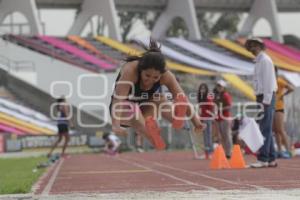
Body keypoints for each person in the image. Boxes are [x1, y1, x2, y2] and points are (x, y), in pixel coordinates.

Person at [109, 38, 205, 149]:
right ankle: (153, 134)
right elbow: (118, 99)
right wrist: (115, 124)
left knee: (160, 98)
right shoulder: (130, 70)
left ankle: (172, 119)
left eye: (155, 77)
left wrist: (197, 123)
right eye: (147, 75)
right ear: (141, 70)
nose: (150, 80)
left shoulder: (167, 75)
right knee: (134, 110)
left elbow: (182, 98)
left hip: (146, 106)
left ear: (161, 74)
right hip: (124, 110)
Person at [245, 38, 278, 168]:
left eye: (253, 46)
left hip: (266, 97)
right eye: (249, 47)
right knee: (266, 127)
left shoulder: (265, 61)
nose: (251, 49)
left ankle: (263, 158)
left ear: (260, 46)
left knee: (264, 128)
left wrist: (266, 101)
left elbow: (269, 83)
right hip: (261, 97)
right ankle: (271, 158)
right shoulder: (258, 62)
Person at [273, 68, 294, 158]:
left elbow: (291, 88)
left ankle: (289, 150)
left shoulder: (279, 80)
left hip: (279, 107)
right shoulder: (270, 82)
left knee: (281, 129)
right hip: (272, 108)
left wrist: (283, 95)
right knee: (276, 130)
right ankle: (279, 150)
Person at [214, 80, 233, 159]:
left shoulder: (225, 95)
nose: (219, 88)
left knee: (227, 135)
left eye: (220, 86)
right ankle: (225, 152)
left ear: (224, 87)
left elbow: (229, 106)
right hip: (219, 118)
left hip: (225, 117)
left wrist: (220, 109)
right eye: (218, 86)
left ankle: (229, 152)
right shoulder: (217, 95)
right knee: (221, 136)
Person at [197, 83, 214, 159]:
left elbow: (212, 107)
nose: (202, 90)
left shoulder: (208, 97)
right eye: (201, 89)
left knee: (208, 136)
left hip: (207, 119)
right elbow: (201, 109)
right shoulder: (201, 98)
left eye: (203, 89)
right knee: (205, 136)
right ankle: (207, 153)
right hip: (203, 118)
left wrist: (210, 116)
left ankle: (210, 152)